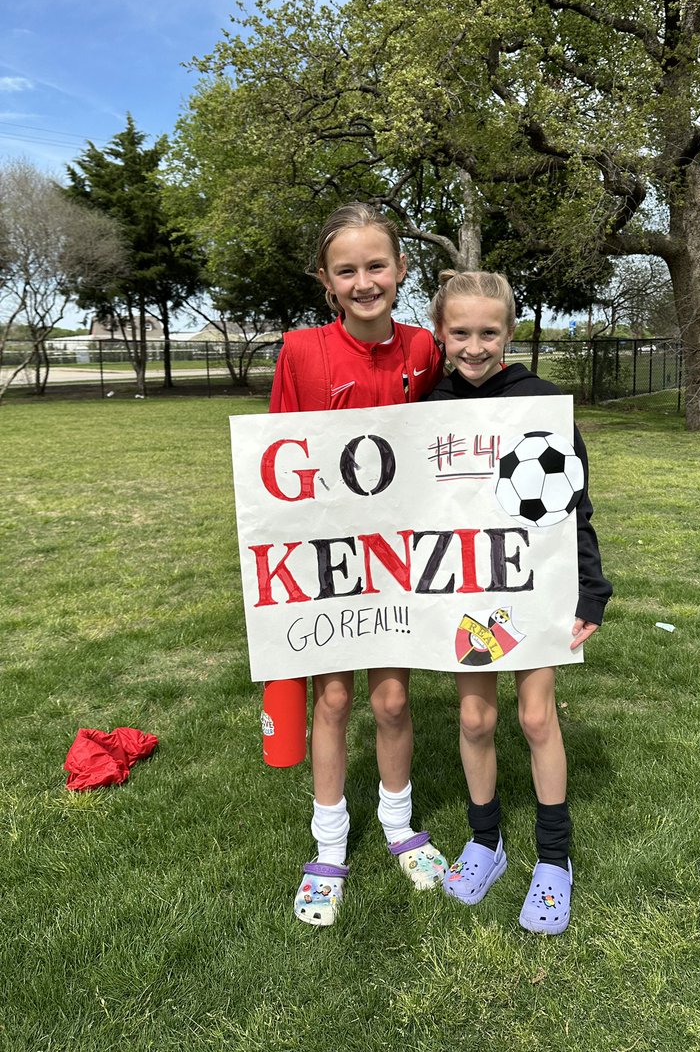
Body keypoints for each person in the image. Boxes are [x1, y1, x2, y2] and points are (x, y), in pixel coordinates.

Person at [269, 202, 449, 926]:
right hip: (327, 557)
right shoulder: (301, 352)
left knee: (393, 701)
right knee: (335, 700)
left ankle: (401, 827)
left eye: (378, 265)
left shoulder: (426, 351)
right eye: (348, 270)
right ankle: (329, 844)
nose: (365, 280)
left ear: (402, 269)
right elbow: (277, 465)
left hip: (401, 558)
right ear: (326, 280)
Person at [424, 269, 612, 935]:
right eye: (460, 332)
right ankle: (487, 842)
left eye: (488, 332)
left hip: (532, 593)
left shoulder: (543, 406)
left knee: (536, 719)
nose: (474, 346)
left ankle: (554, 860)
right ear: (440, 333)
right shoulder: (424, 408)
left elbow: (574, 511)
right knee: (474, 721)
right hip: (462, 594)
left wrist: (591, 588)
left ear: (508, 333)